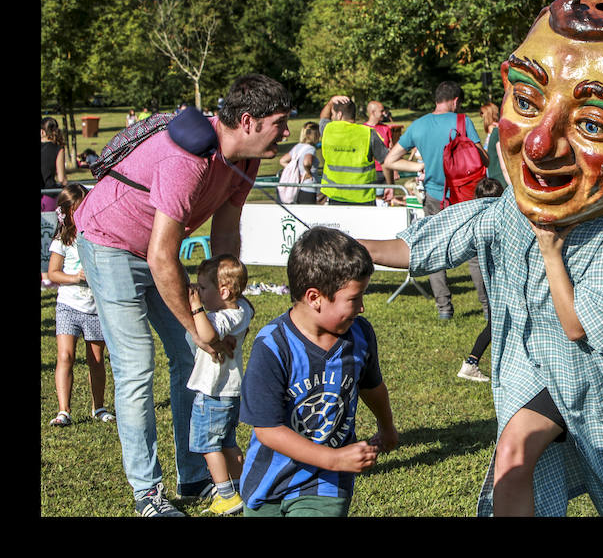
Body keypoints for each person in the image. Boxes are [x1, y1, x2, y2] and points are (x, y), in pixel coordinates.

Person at [360, 0, 603, 517]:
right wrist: (349, 250)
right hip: (534, 372)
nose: (539, 144)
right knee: (515, 456)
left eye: (592, 123)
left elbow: (582, 329)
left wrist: (550, 249)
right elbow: (433, 241)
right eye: (526, 102)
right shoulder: (507, 210)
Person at [75, 73, 293, 517]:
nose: (286, 132)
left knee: (193, 357)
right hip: (111, 242)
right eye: (280, 123)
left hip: (158, 251)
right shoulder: (188, 159)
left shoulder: (246, 161)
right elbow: (161, 257)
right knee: (137, 366)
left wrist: (226, 303)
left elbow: (226, 232)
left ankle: (196, 477)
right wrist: (198, 320)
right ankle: (148, 495)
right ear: (248, 121)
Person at [239, 227, 398, 517]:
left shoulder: (359, 336)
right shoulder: (273, 346)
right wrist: (334, 458)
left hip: (325, 485)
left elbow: (371, 386)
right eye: (353, 298)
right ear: (315, 297)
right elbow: (267, 429)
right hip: (267, 484)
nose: (361, 307)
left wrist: (386, 428)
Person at [381, 81, 489, 320]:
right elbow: (484, 159)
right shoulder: (463, 122)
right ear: (456, 101)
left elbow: (390, 160)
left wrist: (420, 165)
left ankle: (444, 308)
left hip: (434, 196)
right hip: (464, 196)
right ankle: (487, 308)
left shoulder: (418, 126)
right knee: (475, 253)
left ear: (436, 100)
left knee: (434, 249)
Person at [186, 254, 255, 516]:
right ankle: (243, 488)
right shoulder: (242, 310)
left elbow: (207, 335)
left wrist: (195, 307)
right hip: (230, 393)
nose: (199, 293)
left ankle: (226, 495)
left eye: (203, 288)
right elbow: (249, 305)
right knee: (227, 443)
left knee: (208, 445)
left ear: (224, 291)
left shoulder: (223, 317)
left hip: (213, 392)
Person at [47, 184, 114, 427]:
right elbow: (53, 273)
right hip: (68, 305)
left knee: (96, 359)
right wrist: (76, 277)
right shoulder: (62, 239)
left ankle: (99, 407)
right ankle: (64, 410)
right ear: (66, 212)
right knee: (65, 356)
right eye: (76, 210)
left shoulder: (98, 236)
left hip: (95, 307)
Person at [457, 177, 506, 382]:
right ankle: (471, 362)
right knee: (497, 325)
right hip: (498, 280)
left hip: (488, 279)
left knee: (498, 324)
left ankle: (480, 363)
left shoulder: (475, 218)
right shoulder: (498, 220)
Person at [318, 95, 391, 206]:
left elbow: (323, 117)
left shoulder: (328, 130)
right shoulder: (368, 133)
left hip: (335, 196)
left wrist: (330, 102)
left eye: (333, 114)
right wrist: (390, 186)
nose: (332, 117)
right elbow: (386, 162)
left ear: (339, 114)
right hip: (363, 198)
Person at [42, 116, 68, 288]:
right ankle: (49, 274)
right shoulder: (58, 149)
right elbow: (62, 178)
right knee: (51, 235)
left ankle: (43, 275)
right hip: (50, 196)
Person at [278, 122, 320, 205]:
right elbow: (307, 162)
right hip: (308, 187)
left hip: (296, 187)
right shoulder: (310, 149)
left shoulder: (298, 147)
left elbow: (282, 160)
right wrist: (308, 172)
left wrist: (295, 170)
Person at [363, 100, 396, 203]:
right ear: (373, 112)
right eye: (381, 111)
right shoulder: (362, 129)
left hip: (386, 172)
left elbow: (392, 152)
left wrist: (395, 170)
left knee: (386, 201)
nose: (384, 113)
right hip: (370, 173)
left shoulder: (386, 128)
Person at [481, 102, 508, 188]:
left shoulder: (495, 130)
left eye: (482, 113)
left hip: (497, 176)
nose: (481, 116)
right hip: (493, 174)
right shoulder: (494, 129)